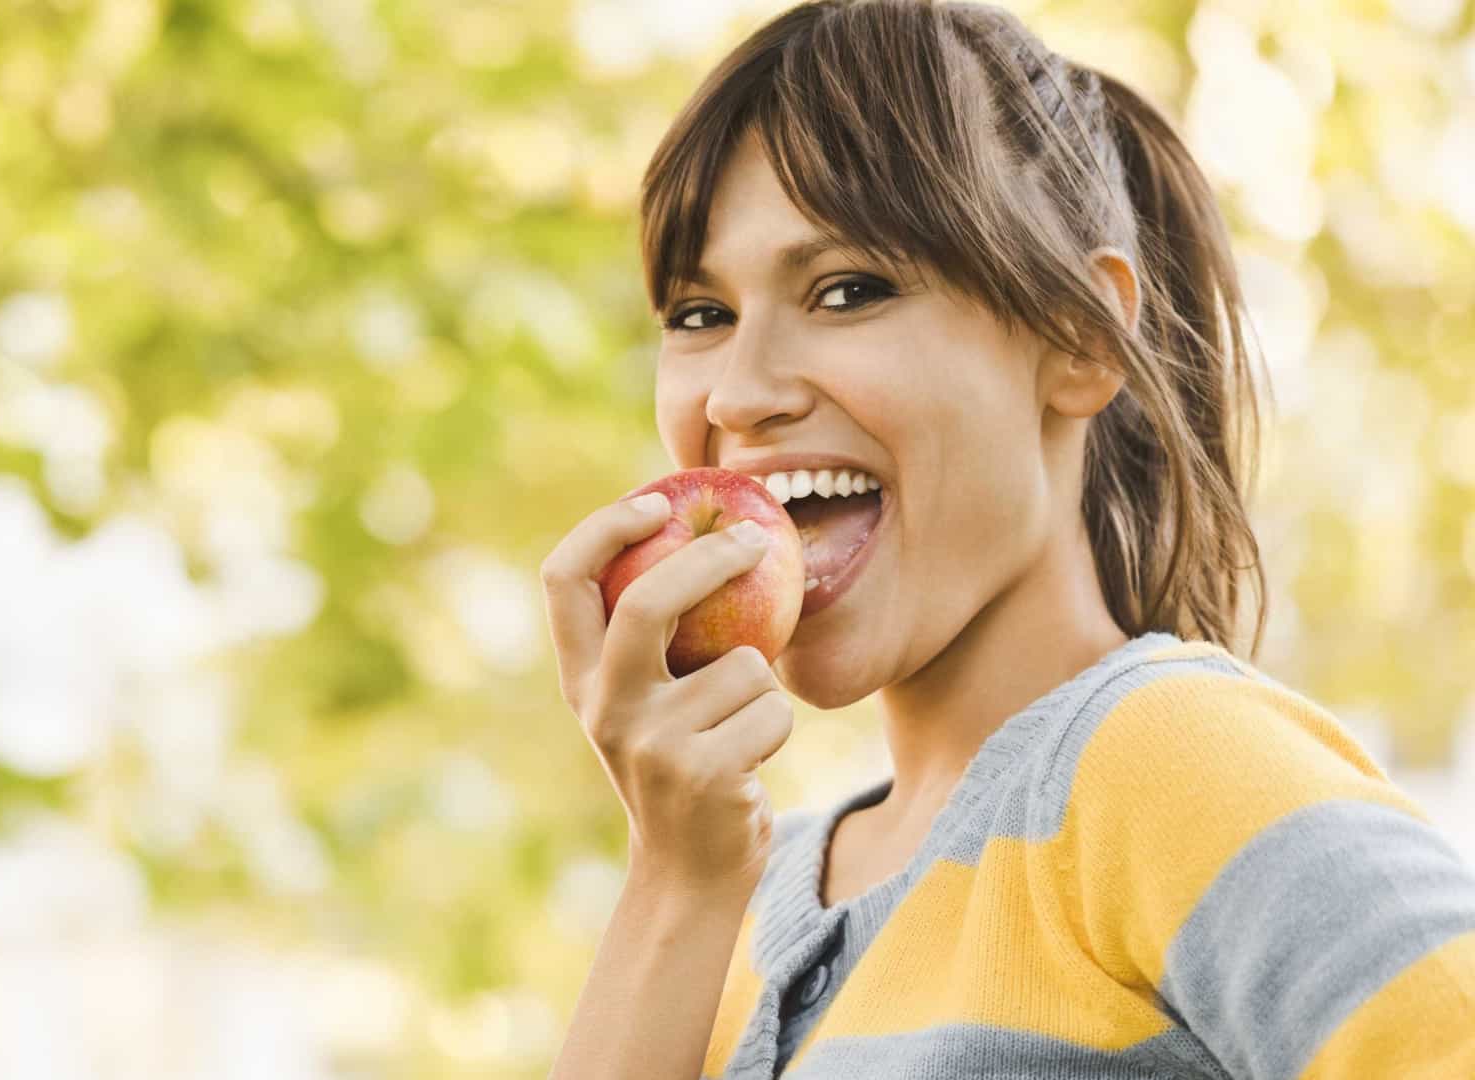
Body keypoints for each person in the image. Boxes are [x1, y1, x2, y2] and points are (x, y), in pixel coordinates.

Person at [538, 1, 1475, 1077]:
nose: (741, 393)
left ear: (1080, 334)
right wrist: (676, 878)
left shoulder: (1164, 761)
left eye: (849, 290)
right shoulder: (742, 899)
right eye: (700, 313)